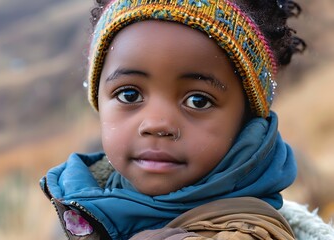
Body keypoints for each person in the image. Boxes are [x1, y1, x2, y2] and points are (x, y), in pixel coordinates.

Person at [39, 0, 332, 239]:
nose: (157, 124)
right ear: (99, 101)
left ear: (246, 120)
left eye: (198, 101)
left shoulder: (243, 232)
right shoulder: (86, 196)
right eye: (129, 95)